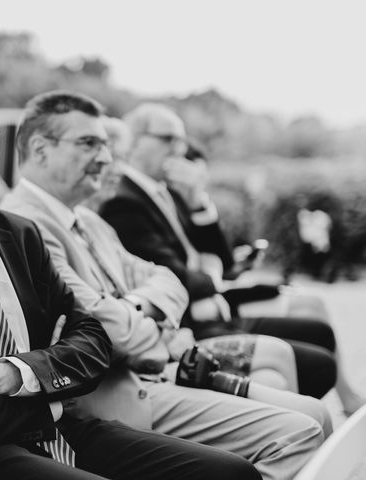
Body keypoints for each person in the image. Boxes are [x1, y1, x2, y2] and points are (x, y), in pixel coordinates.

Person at [0, 66, 262, 480]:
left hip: (65, 430)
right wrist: (51, 391)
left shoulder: (19, 233)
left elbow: (93, 342)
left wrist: (15, 373)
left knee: (232, 473)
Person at [0, 90, 329, 479]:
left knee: (315, 415)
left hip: (163, 370)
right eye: (89, 143)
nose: (106, 159)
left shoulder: (89, 221)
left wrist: (132, 308)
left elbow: (169, 279)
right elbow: (110, 333)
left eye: (106, 145)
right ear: (40, 149)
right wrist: (150, 320)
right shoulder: (24, 225)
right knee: (303, 430)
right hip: (118, 397)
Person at [97, 103, 359, 407]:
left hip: (214, 305)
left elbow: (220, 257)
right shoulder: (124, 202)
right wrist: (214, 275)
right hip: (193, 321)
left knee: (318, 329)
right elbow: (178, 278)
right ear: (136, 140)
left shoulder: (168, 192)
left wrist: (197, 200)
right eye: (169, 138)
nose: (179, 148)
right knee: (317, 359)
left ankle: (328, 409)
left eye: (181, 139)